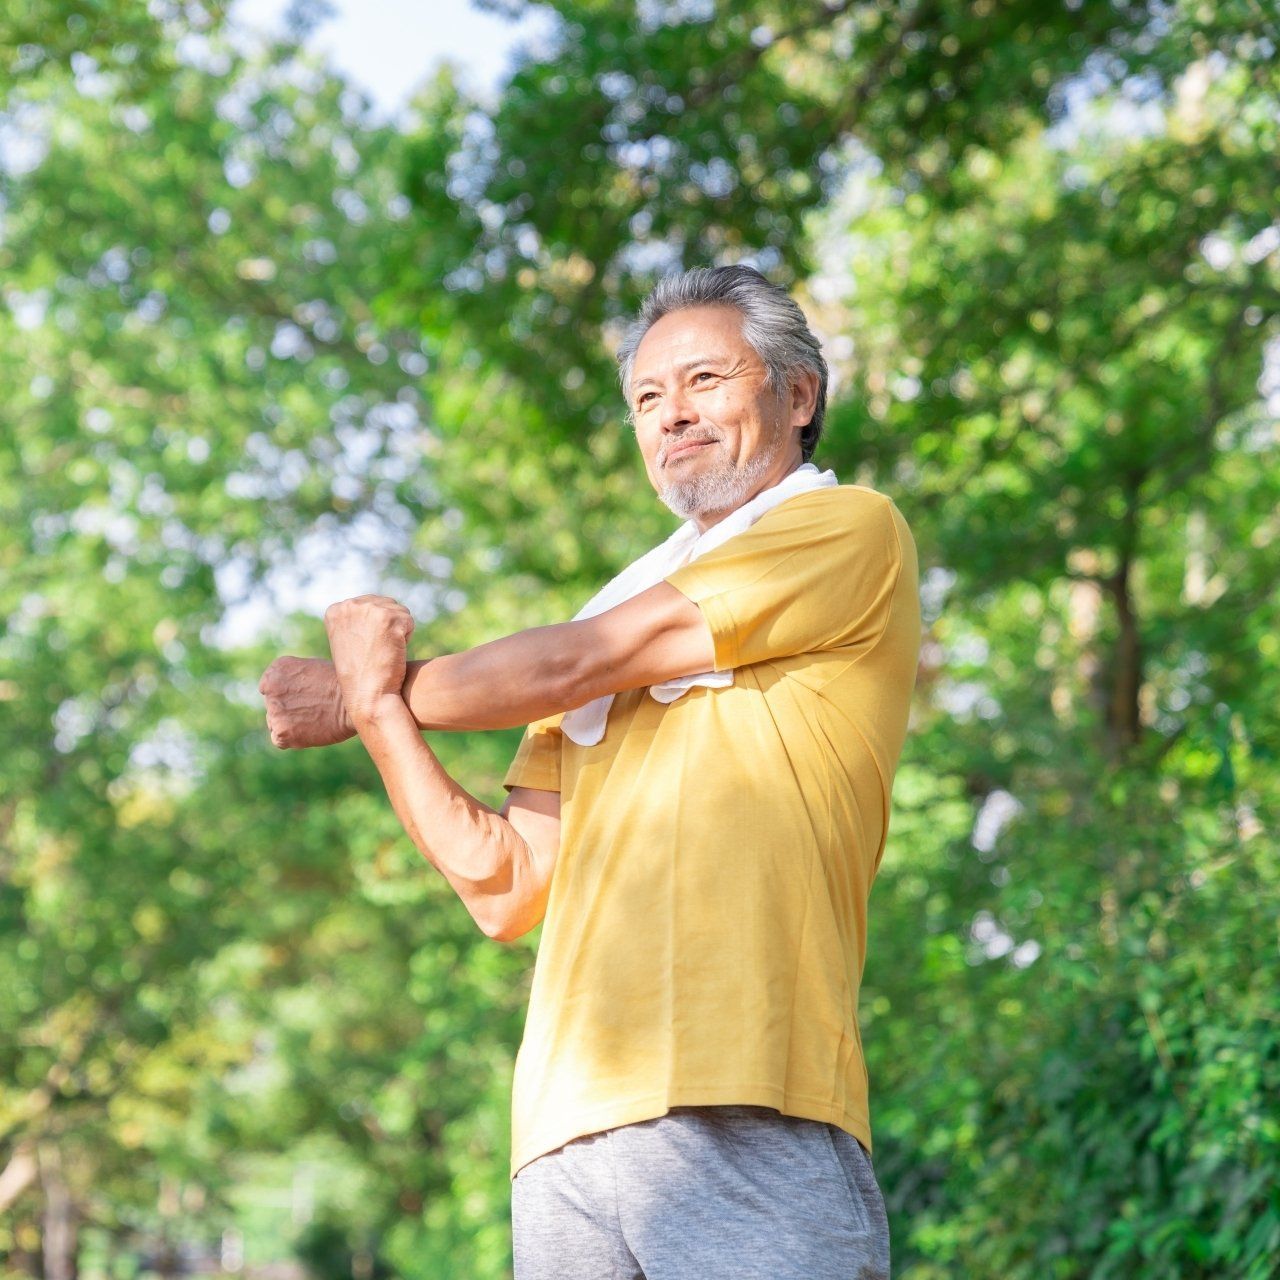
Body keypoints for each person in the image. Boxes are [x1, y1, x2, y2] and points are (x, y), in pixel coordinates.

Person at [259, 265, 920, 1279]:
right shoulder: (613, 605)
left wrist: (361, 691)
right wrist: (379, 711)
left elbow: (577, 661)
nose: (672, 414)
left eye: (703, 379)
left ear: (796, 396)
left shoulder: (842, 528)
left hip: (745, 1092)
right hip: (566, 1134)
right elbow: (506, 885)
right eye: (647, 398)